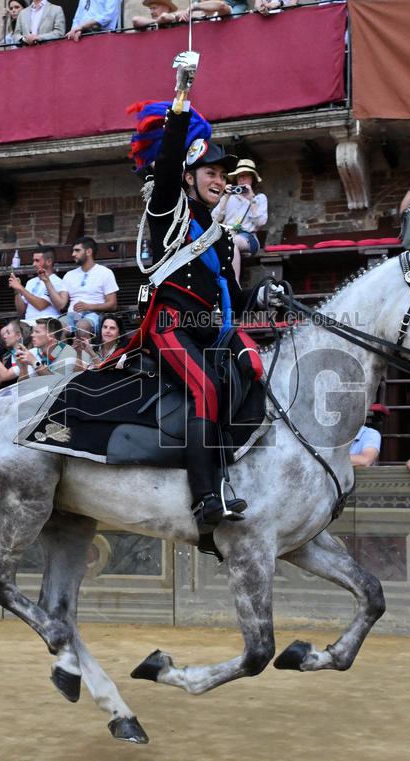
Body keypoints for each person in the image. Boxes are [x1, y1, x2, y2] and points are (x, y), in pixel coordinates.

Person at [123, 60, 268, 534]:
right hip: (169, 326)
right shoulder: (170, 210)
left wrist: (262, 295)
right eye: (210, 170)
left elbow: (231, 300)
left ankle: (232, 466)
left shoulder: (222, 235)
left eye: (223, 174)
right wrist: (181, 97)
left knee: (253, 364)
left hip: (210, 330)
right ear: (189, 176)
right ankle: (205, 498)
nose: (220, 179)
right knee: (204, 388)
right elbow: (165, 166)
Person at [211, 158, 268, 282]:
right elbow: (214, 219)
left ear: (252, 179)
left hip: (248, 237)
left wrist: (251, 199)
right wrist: (225, 197)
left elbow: (260, 223)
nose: (241, 179)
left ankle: (235, 284)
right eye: (239, 176)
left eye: (245, 176)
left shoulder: (259, 198)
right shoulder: (229, 198)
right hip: (226, 234)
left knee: (233, 241)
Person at [61, 237, 119, 339]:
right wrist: (47, 281)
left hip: (94, 315)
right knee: (58, 328)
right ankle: (63, 354)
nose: (73, 254)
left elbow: (112, 304)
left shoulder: (105, 272)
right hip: (72, 315)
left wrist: (89, 307)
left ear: (89, 251)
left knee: (82, 326)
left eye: (77, 250)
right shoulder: (69, 275)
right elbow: (61, 303)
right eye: (73, 251)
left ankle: (86, 355)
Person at [9, 247, 67, 321]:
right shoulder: (31, 282)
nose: (33, 264)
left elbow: (40, 305)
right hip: (28, 323)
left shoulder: (56, 281)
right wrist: (17, 291)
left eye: (37, 261)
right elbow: (21, 311)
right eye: (33, 260)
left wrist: (21, 288)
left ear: (49, 262)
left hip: (46, 323)